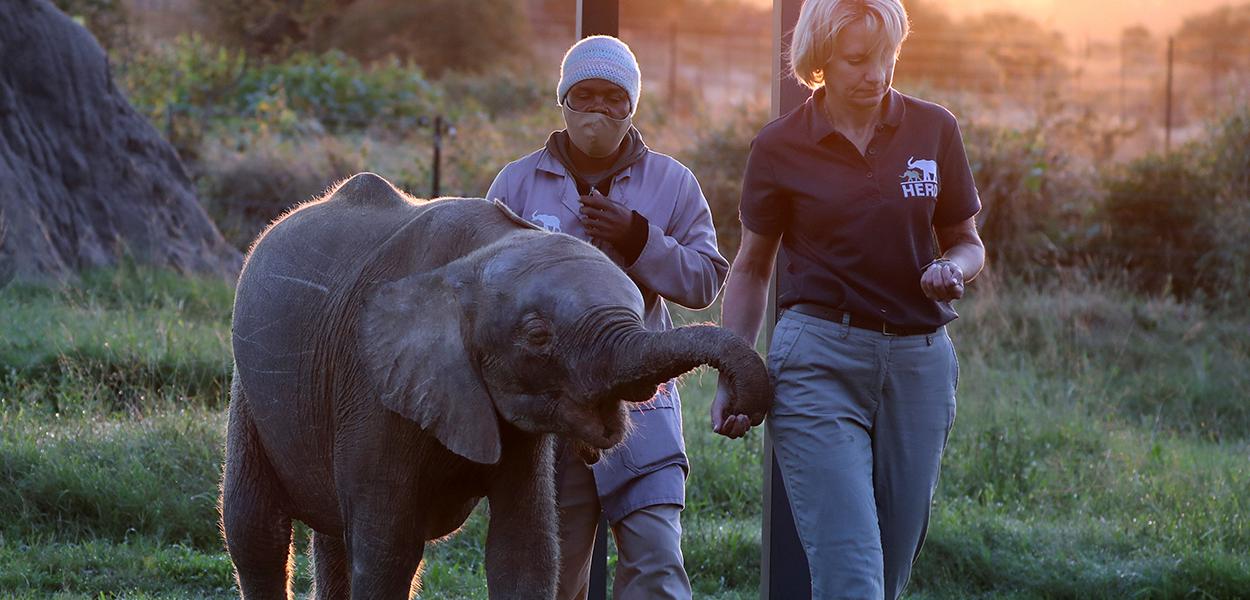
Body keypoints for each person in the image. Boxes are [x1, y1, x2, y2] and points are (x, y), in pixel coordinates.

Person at [711, 0, 986, 598]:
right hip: (818, 360)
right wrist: (733, 367)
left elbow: (967, 242)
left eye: (886, 57)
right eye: (858, 59)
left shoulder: (934, 128)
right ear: (820, 60)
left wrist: (952, 269)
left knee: (887, 575)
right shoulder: (779, 147)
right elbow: (753, 266)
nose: (876, 74)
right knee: (850, 575)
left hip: (919, 363)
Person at [486, 35, 728, 600]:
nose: (598, 110)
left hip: (643, 409)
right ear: (564, 99)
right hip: (548, 421)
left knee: (657, 568)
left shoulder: (672, 183)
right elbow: (483, 291)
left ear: (632, 105)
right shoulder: (516, 185)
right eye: (584, 95)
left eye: (613, 98)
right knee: (548, 580)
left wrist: (639, 237)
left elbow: (705, 279)